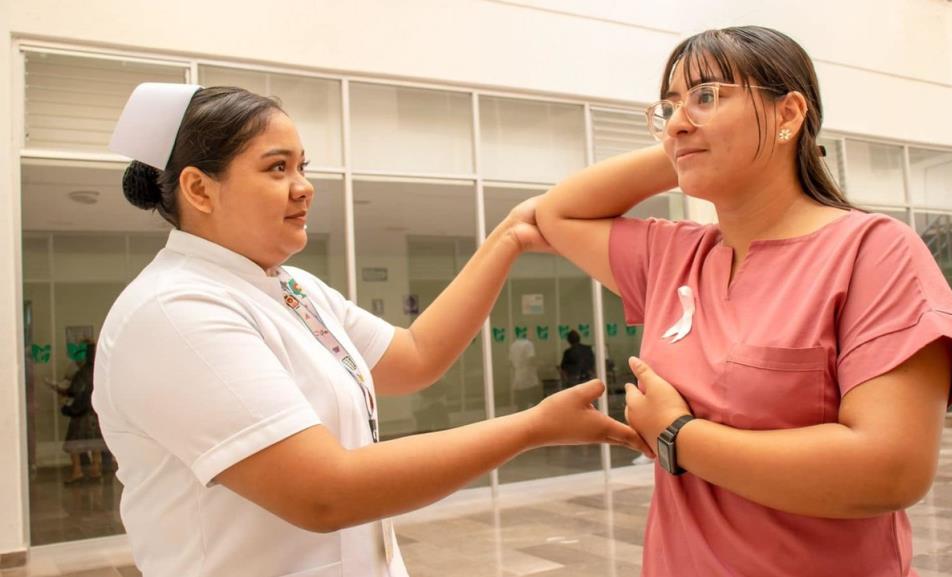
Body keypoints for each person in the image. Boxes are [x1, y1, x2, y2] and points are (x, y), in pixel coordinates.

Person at [95, 83, 650, 577]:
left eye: (302, 167)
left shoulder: (291, 287)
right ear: (199, 189)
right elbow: (324, 493)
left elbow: (415, 356)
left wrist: (507, 238)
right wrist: (531, 429)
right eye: (277, 168)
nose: (304, 187)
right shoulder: (175, 312)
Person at [536, 26, 952, 577]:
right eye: (669, 107)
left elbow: (892, 470)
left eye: (707, 95)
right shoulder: (674, 255)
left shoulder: (872, 250)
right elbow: (557, 214)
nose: (676, 120)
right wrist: (689, 145)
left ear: (788, 113)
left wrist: (679, 436)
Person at [52, 342, 105, 484]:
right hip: (96, 414)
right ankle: (96, 471)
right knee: (96, 446)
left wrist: (67, 403)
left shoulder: (82, 373)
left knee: (73, 445)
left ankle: (77, 472)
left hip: (81, 415)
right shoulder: (100, 371)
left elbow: (74, 391)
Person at [509, 335, 540, 410]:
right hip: (529, 379)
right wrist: (539, 365)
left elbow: (510, 363)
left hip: (518, 379)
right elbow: (531, 359)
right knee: (536, 404)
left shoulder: (513, 345)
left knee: (522, 405)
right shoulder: (528, 344)